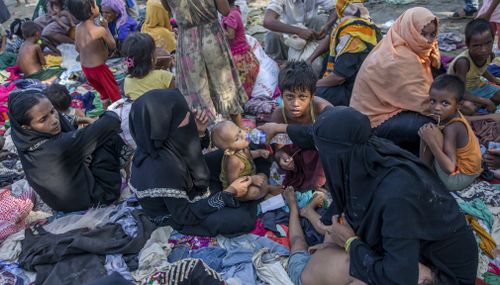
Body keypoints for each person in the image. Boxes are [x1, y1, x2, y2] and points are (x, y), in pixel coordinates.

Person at [260, 106, 478, 285]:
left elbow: (398, 278)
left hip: (444, 275)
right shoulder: (365, 149)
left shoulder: (396, 195)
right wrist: (280, 128)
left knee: (356, 271)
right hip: (419, 255)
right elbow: (316, 135)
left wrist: (350, 243)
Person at [129, 89, 259, 236]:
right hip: (179, 214)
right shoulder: (162, 168)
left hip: (187, 184)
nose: (190, 115)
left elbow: (189, 152)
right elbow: (185, 215)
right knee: (239, 219)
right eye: (183, 115)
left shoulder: (165, 142)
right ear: (165, 126)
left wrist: (200, 132)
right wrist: (228, 193)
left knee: (229, 155)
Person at [8, 92, 131, 212]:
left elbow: (62, 117)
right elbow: (111, 122)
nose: (54, 120)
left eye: (52, 111)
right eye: (43, 119)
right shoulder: (58, 147)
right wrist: (110, 112)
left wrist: (81, 120)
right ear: (26, 127)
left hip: (61, 202)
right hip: (95, 200)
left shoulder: (21, 136)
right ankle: (128, 170)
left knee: (87, 133)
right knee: (104, 136)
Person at [350, 7, 440, 155]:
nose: (428, 40)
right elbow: (424, 104)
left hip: (375, 113)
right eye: (423, 34)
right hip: (372, 123)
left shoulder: (396, 42)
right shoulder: (403, 57)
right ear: (410, 30)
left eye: (432, 35)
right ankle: (424, 167)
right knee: (431, 125)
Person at [161, 0, 247, 127]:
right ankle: (240, 131)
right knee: (224, 86)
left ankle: (207, 136)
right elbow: (225, 11)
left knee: (196, 90)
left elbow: (168, 9)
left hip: (187, 41)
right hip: (211, 37)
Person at [307, 0, 381, 106]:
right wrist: (310, 59)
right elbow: (332, 37)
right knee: (326, 60)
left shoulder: (354, 34)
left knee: (313, 94)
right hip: (354, 81)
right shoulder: (357, 21)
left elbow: (338, 78)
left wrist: (312, 85)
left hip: (356, 91)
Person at [271, 61, 330, 191]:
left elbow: (332, 144)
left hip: (319, 159)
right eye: (290, 97)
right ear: (281, 96)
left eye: (302, 97)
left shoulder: (322, 110)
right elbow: (278, 149)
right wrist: (282, 157)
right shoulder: (279, 115)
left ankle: (317, 184)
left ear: (312, 96)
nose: (295, 103)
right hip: (295, 163)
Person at [419, 75, 482, 191]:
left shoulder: (453, 127)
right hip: (470, 172)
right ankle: (423, 169)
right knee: (430, 131)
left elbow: (450, 168)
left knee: (429, 132)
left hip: (459, 179)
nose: (437, 108)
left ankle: (423, 173)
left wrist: (431, 141)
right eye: (433, 101)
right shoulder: (452, 116)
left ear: (458, 105)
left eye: (445, 103)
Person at [68, 0, 121, 110]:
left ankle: (105, 111)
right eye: (96, 5)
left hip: (86, 69)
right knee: (115, 94)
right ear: (92, 9)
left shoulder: (77, 28)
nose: (98, 7)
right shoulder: (99, 30)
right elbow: (112, 45)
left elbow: (78, 49)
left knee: (103, 92)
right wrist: (106, 28)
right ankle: (121, 114)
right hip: (100, 70)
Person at [211, 120, 282, 201]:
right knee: (254, 191)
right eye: (237, 138)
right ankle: (268, 189)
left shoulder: (242, 147)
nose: (243, 135)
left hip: (250, 176)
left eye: (240, 131)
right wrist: (251, 179)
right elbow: (233, 183)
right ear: (230, 151)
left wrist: (259, 152)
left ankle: (265, 189)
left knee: (263, 175)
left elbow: (248, 155)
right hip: (238, 189)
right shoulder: (234, 161)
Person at [448, 19, 500, 113]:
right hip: (460, 92)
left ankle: (481, 105)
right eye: (477, 45)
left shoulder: (490, 55)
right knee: (468, 108)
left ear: (493, 40)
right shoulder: (463, 62)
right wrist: (485, 101)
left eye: (488, 43)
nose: (484, 49)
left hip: (478, 87)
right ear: (468, 45)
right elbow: (461, 92)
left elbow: (481, 69)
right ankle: (483, 105)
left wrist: (495, 80)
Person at [262, 0, 337, 62]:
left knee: (321, 19)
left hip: (310, 36)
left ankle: (316, 55)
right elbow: (267, 21)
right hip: (289, 38)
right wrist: (299, 31)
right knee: (271, 35)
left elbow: (336, 8)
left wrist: (326, 26)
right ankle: (278, 62)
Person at [222, 0, 260, 98]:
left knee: (241, 83)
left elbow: (230, 35)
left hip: (240, 57)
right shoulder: (235, 11)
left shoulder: (231, 15)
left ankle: (243, 103)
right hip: (244, 53)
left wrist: (216, 31)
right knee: (245, 82)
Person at [122, 32, 174, 100]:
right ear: (151, 57)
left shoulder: (127, 81)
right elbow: (176, 98)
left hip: (141, 110)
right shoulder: (165, 76)